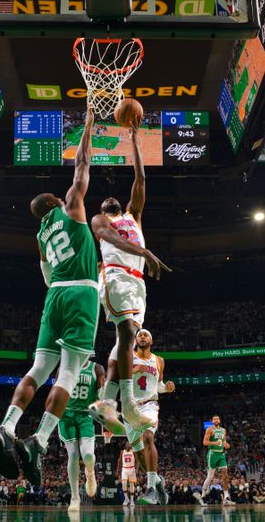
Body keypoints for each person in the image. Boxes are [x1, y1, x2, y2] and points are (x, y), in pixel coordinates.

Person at [0, 106, 100, 487]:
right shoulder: (72, 205)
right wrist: (87, 124)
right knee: (68, 374)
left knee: (38, 372)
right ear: (56, 201)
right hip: (81, 293)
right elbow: (82, 163)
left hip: (52, 297)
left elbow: (46, 274)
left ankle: (7, 427)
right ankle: (39, 440)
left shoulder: (39, 236)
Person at [89, 122, 170, 432]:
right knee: (125, 337)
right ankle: (128, 405)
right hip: (116, 278)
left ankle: (105, 401)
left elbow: (141, 178)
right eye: (105, 201)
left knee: (124, 343)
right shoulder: (100, 220)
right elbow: (112, 241)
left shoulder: (133, 215)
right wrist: (146, 253)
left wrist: (136, 140)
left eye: (114, 201)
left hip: (137, 283)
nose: (110, 200)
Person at [123, 329, 174, 506]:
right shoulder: (128, 356)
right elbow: (117, 377)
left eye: (146, 335)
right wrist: (134, 369)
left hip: (149, 405)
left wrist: (166, 388)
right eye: (140, 335)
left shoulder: (159, 360)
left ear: (151, 341)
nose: (142, 337)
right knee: (142, 461)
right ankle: (159, 483)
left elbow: (157, 385)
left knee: (148, 437)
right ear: (136, 340)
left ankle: (151, 489)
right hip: (130, 408)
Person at [58, 358, 104, 512]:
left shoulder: (96, 368)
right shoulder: (64, 366)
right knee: (73, 455)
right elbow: (58, 391)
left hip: (85, 416)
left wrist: (103, 399)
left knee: (88, 455)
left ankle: (90, 473)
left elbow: (101, 394)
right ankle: (75, 498)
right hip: (67, 415)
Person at [195, 415, 235, 506]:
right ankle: (203, 495)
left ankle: (226, 497)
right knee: (210, 476)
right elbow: (205, 442)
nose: (216, 420)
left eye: (217, 418)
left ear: (219, 420)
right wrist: (214, 443)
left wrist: (226, 445)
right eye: (214, 419)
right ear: (212, 421)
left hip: (221, 454)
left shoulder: (223, 430)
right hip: (212, 454)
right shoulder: (209, 429)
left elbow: (224, 442)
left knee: (225, 475)